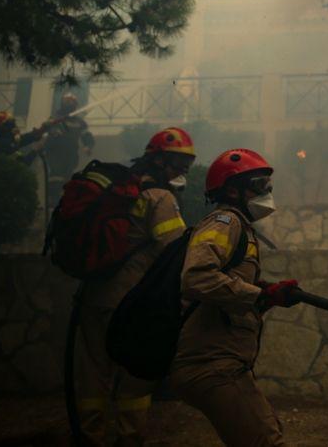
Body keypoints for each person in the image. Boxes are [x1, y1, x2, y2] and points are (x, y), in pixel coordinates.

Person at [169, 148, 299, 447]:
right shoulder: (225, 222)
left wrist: (266, 293)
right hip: (210, 364)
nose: (265, 192)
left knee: (265, 432)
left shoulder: (239, 225)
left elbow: (226, 287)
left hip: (223, 363)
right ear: (231, 189)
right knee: (264, 440)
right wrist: (257, 295)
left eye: (267, 185)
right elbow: (197, 277)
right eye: (258, 185)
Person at [75, 127, 196, 446]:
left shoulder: (119, 190)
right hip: (131, 301)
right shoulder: (160, 197)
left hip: (94, 296)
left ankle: (90, 436)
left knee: (92, 371)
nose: (183, 170)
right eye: (178, 162)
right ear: (159, 161)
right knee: (135, 376)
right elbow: (173, 251)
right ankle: (130, 438)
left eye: (188, 163)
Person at [43, 93, 95, 211]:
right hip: (55, 153)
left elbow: (86, 135)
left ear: (75, 104)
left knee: (67, 177)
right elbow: (48, 128)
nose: (69, 103)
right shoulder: (55, 118)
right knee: (56, 174)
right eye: (67, 101)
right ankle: (52, 199)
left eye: (71, 101)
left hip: (71, 154)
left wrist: (88, 145)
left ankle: (64, 201)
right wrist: (53, 131)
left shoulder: (79, 122)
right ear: (62, 103)